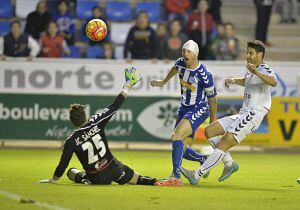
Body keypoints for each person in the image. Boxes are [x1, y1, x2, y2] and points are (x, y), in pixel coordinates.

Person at [180, 40, 278, 185]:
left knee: (224, 142)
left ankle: (197, 174)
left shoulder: (264, 68)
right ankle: (229, 163)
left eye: (251, 53)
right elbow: (248, 81)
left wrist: (256, 71)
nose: (248, 56)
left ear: (260, 54)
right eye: (247, 53)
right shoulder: (251, 70)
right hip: (243, 113)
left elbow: (273, 82)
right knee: (210, 131)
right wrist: (234, 80)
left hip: (254, 114)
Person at [39, 68, 158, 186]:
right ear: (85, 116)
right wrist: (127, 85)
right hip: (115, 169)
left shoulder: (71, 141)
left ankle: (84, 179)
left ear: (72, 121)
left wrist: (53, 180)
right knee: (138, 179)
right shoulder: (97, 122)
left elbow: (63, 165)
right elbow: (115, 106)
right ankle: (155, 182)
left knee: (71, 172)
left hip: (96, 178)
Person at [151, 40, 217, 186]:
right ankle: (204, 160)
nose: (185, 54)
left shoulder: (204, 75)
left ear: (195, 55)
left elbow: (212, 98)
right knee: (182, 148)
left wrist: (213, 120)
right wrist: (163, 82)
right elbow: (175, 68)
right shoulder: (180, 63)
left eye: (188, 52)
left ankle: (175, 175)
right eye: (183, 51)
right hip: (184, 108)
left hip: (198, 108)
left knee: (176, 137)